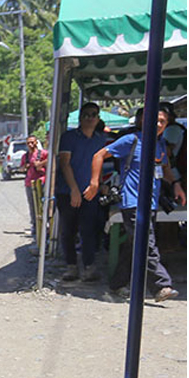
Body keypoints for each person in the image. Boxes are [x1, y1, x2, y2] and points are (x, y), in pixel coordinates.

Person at [92, 108, 186, 300]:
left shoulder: (160, 144)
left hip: (150, 203)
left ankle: (117, 284)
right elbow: (99, 155)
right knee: (147, 243)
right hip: (132, 202)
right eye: (155, 120)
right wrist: (95, 183)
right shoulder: (131, 140)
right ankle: (161, 285)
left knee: (133, 245)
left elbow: (165, 167)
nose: (159, 124)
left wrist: (176, 185)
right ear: (144, 120)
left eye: (163, 122)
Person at [56, 102, 108, 282]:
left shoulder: (100, 140)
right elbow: (65, 163)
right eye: (86, 114)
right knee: (68, 231)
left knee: (89, 231)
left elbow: (98, 165)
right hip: (67, 191)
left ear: (98, 118)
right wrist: (74, 190)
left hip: (90, 193)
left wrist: (99, 184)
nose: (90, 118)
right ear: (80, 118)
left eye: (94, 114)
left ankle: (88, 267)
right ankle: (71, 267)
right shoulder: (69, 137)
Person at [20, 135, 48, 236]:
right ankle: (35, 226)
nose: (30, 145)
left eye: (32, 142)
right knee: (32, 205)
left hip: (41, 182)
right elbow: (21, 168)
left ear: (36, 142)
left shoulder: (43, 153)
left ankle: (46, 225)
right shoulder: (25, 156)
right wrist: (25, 167)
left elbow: (52, 159)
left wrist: (40, 164)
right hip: (29, 183)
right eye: (28, 143)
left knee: (43, 204)